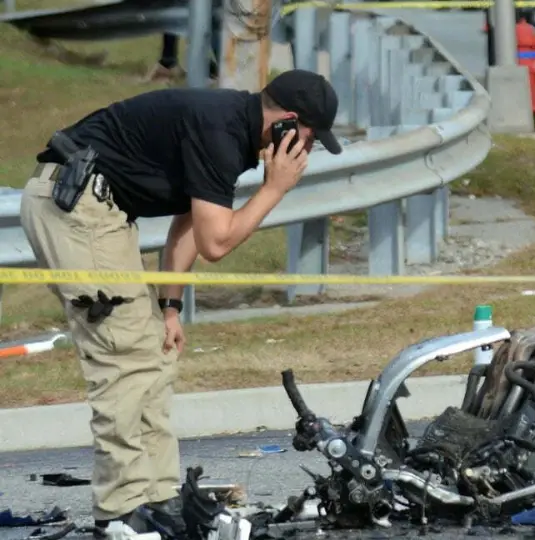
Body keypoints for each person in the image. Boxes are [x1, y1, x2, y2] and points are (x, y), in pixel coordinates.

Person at [18, 69, 343, 537]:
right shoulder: (220, 131)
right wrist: (275, 188)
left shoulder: (232, 127)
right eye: (310, 138)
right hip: (75, 206)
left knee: (155, 351)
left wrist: (170, 307)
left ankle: (156, 497)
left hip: (97, 210)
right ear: (288, 122)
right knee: (124, 357)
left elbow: (188, 224)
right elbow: (216, 241)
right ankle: (122, 509)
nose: (308, 150)